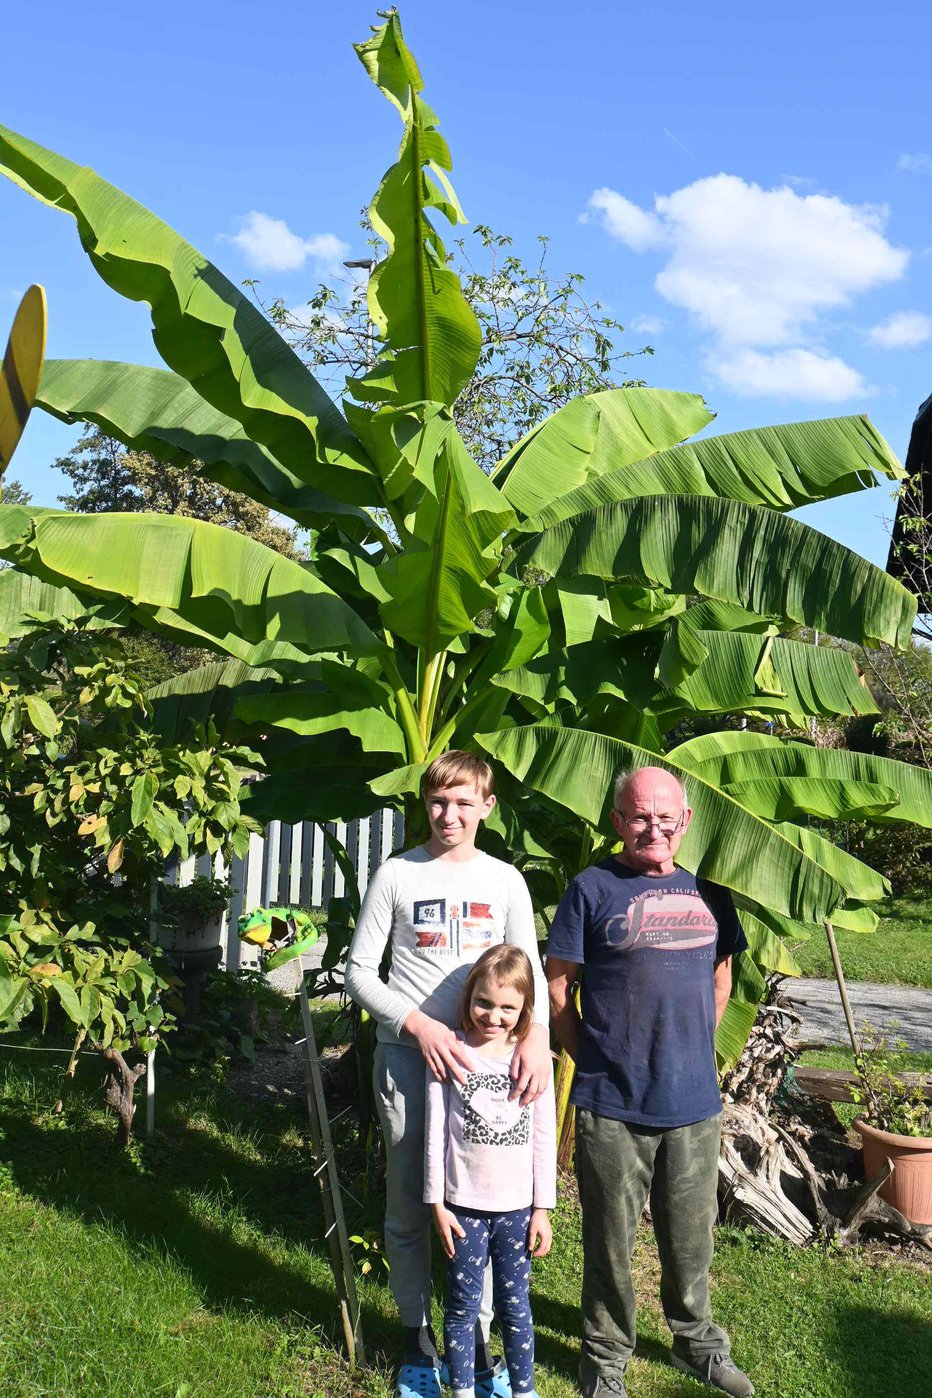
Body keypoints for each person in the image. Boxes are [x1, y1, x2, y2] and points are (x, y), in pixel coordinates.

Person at [345, 751, 552, 1398]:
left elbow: (531, 972)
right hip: (409, 1061)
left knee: (484, 1206)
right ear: (424, 803)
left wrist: (537, 1034)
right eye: (439, 802)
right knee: (409, 1200)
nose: (449, 814)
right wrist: (420, 1025)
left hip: (488, 1072)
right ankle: (416, 1336)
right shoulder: (398, 874)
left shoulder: (504, 881)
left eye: (465, 803)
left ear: (487, 806)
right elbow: (359, 973)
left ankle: (481, 1336)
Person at [546, 766, 754, 1398]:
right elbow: (559, 986)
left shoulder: (712, 890)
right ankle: (606, 1358)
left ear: (685, 823)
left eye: (666, 818)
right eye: (639, 816)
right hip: (612, 1101)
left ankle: (697, 1345)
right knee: (609, 1241)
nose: (653, 828)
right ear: (618, 822)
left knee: (692, 1239)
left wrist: (690, 1044)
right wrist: (595, 1059)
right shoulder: (591, 887)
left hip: (693, 1100)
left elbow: (722, 980)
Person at [425, 944, 556, 1398]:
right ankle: (462, 1390)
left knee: (515, 1307)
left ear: (523, 1010)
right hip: (461, 1208)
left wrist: (543, 1208)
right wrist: (436, 1203)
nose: (493, 1015)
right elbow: (435, 1133)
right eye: (483, 1002)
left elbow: (544, 1138)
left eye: (507, 1008)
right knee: (461, 1307)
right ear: (469, 998)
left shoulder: (534, 1060)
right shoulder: (450, 1050)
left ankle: (524, 1391)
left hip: (517, 1209)